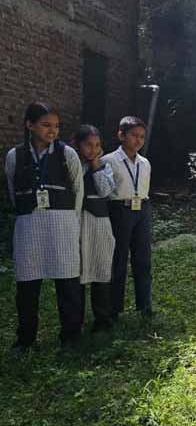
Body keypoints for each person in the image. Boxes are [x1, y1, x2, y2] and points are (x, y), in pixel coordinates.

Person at [5, 102, 83, 350]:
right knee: (27, 285)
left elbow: (78, 189)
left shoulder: (67, 154)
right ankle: (26, 339)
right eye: (46, 125)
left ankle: (70, 336)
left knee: (68, 283)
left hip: (62, 224)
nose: (53, 131)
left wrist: (74, 222)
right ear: (30, 125)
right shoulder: (15, 156)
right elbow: (12, 190)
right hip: (29, 225)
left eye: (57, 126)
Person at [103, 116, 153, 319]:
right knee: (119, 259)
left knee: (143, 259)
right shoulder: (109, 160)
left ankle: (144, 305)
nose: (138, 140)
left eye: (142, 136)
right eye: (134, 135)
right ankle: (115, 309)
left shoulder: (145, 162)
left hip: (142, 209)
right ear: (121, 135)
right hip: (120, 210)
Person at [74, 124, 116, 332]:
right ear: (78, 145)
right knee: (77, 272)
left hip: (99, 224)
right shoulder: (72, 166)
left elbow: (106, 190)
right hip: (77, 224)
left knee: (101, 269)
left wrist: (96, 164)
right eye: (88, 145)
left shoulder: (104, 166)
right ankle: (75, 320)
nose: (92, 149)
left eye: (97, 145)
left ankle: (102, 319)